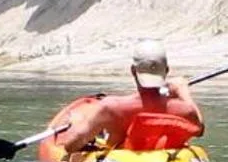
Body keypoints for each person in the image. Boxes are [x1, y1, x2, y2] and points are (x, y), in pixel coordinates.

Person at [56, 40, 204, 153]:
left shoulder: (111, 107)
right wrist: (182, 90)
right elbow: (199, 129)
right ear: (166, 70)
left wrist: (77, 122)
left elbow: (71, 146)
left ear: (133, 70)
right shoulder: (183, 109)